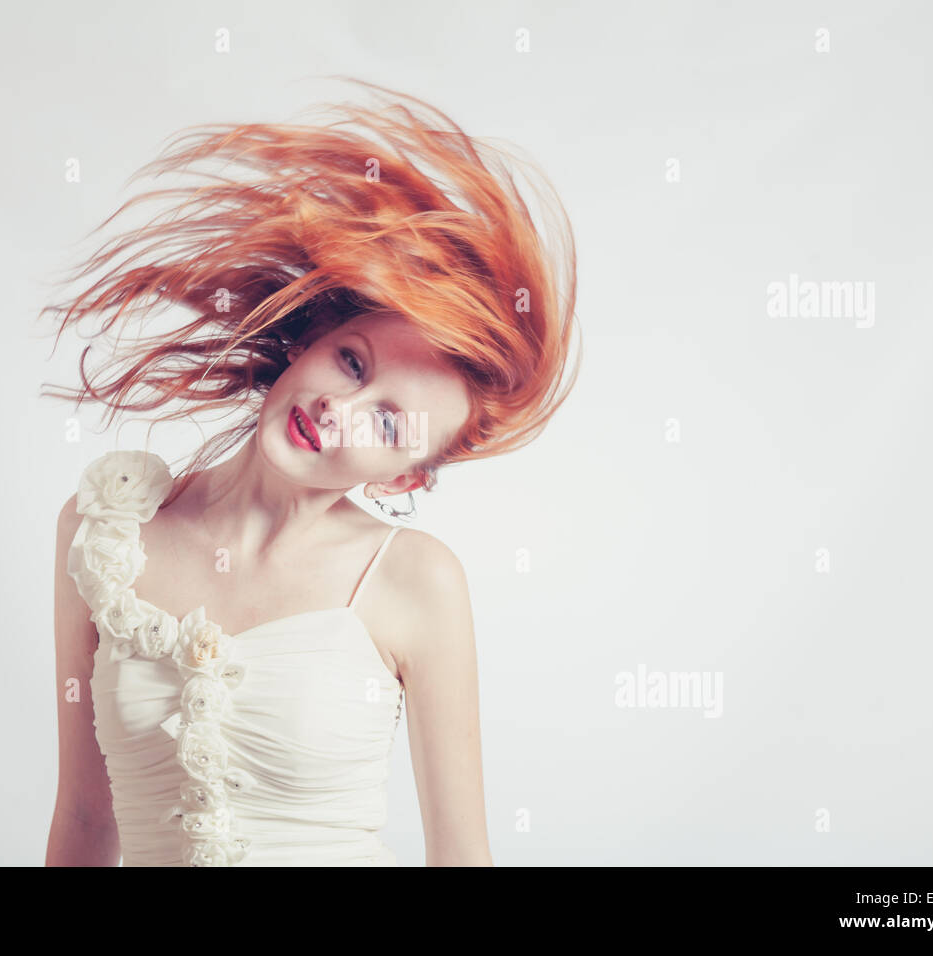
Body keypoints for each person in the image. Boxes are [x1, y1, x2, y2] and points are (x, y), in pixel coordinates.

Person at [40, 79, 581, 866]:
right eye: (351, 363)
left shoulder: (416, 584)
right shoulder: (101, 531)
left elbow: (461, 859)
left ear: (402, 478)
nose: (338, 410)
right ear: (308, 345)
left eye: (388, 423)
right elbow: (87, 823)